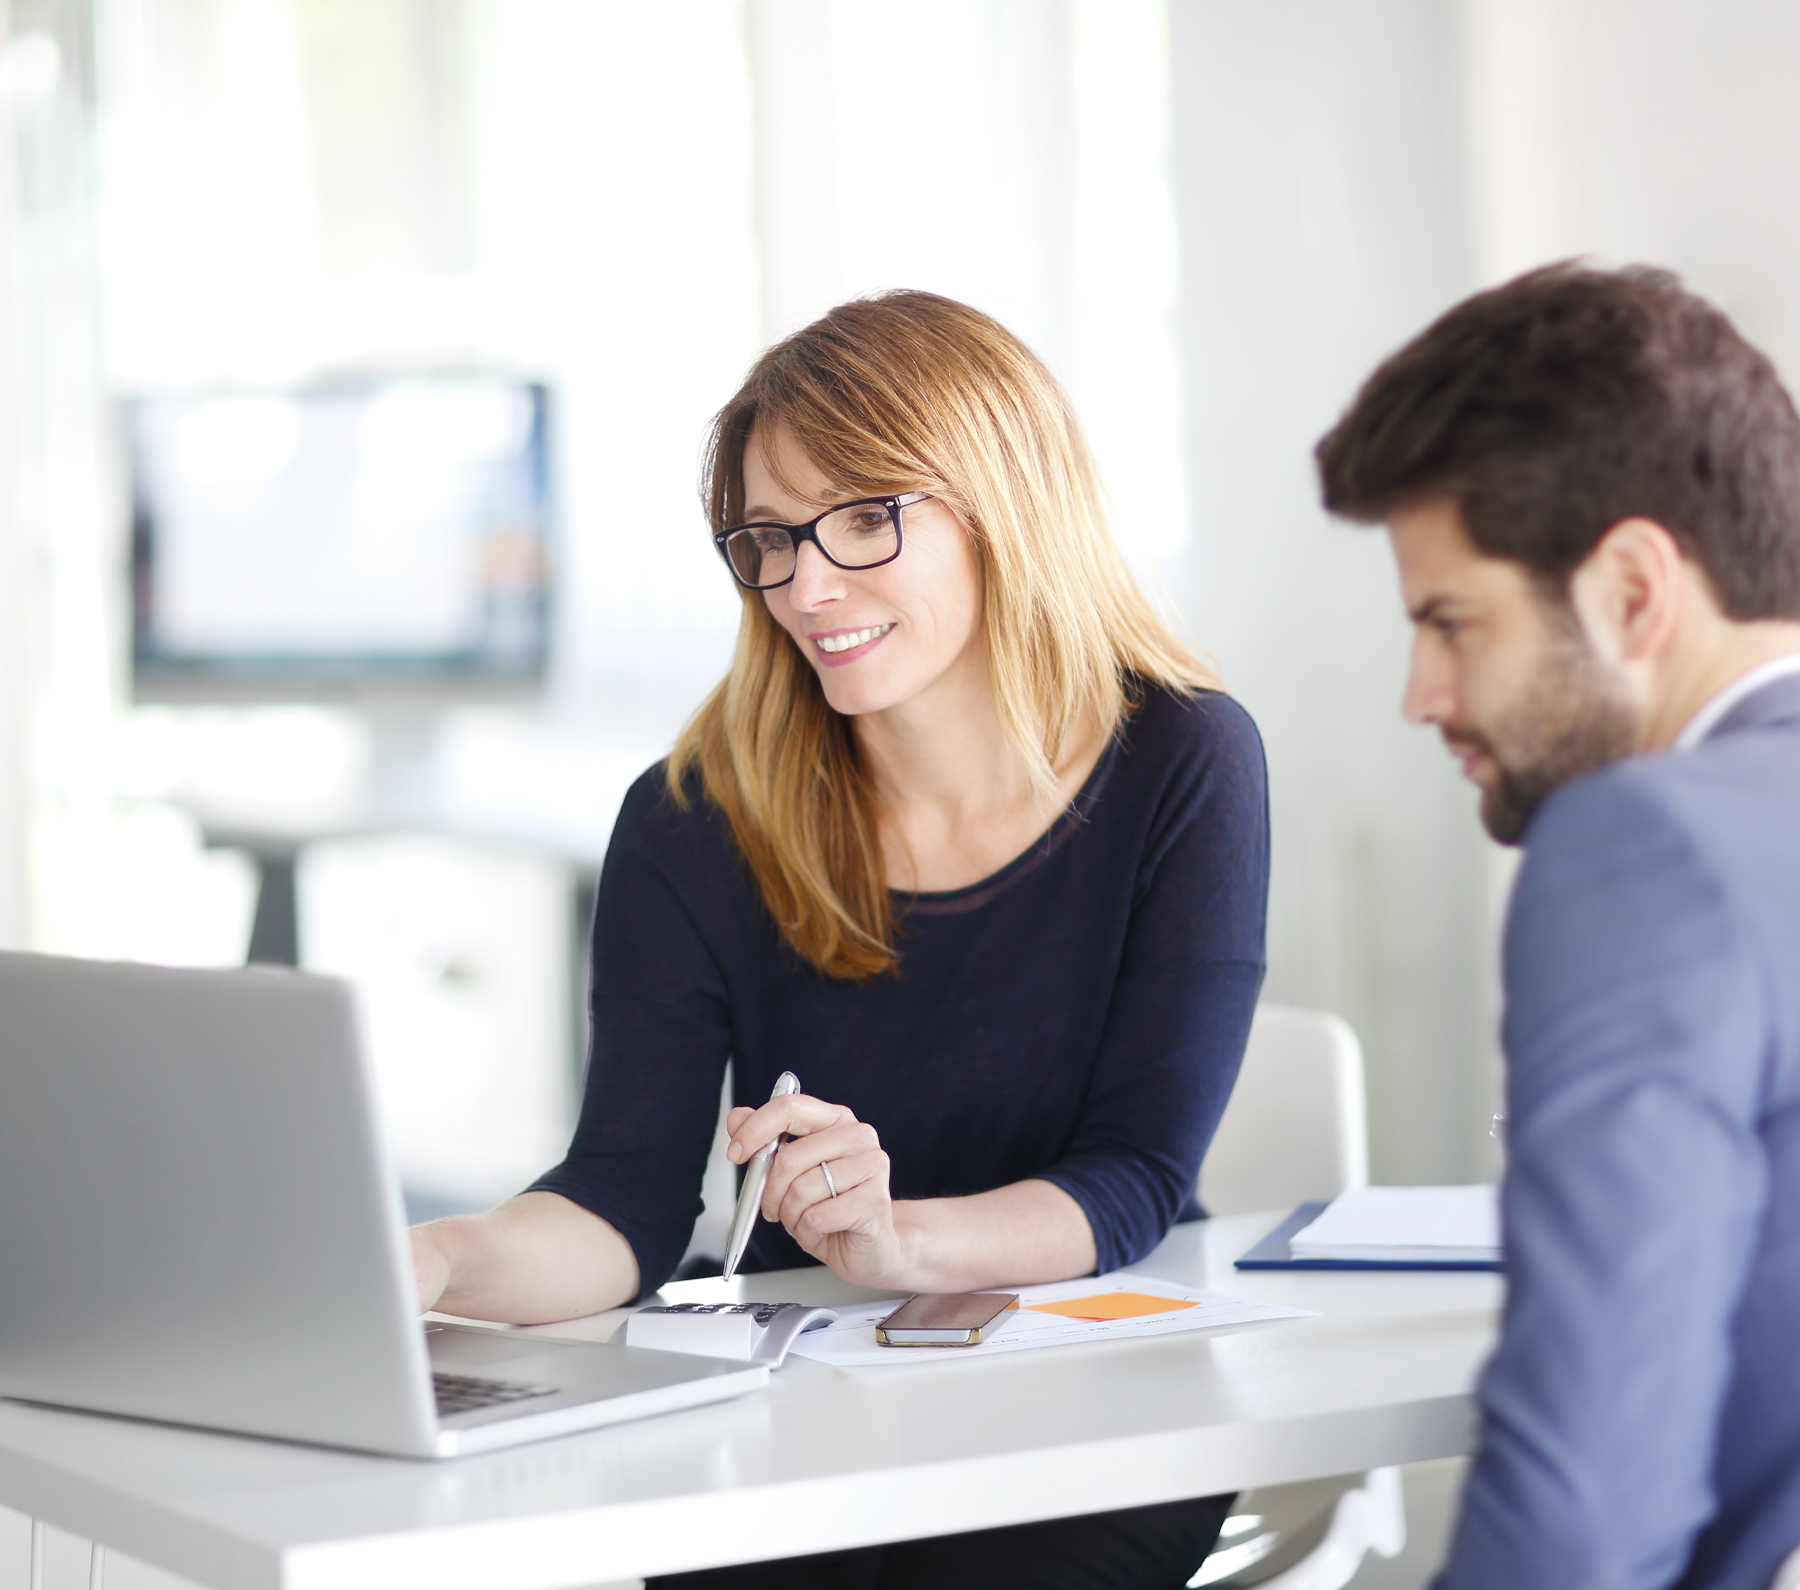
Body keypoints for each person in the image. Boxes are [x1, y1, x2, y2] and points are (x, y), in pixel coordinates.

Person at [413, 289, 1270, 1589]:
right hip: (798, 1411)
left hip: (1095, 1398)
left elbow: (1137, 1173)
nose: (807, 583)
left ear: (1003, 502)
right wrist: (440, 1256)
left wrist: (898, 1236)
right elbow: (626, 1198)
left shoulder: (1183, 758)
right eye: (769, 535)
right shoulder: (692, 816)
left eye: (865, 518)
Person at [1316, 262, 1800, 1590]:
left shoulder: (1648, 845)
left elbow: (1591, 1505)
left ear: (1634, 591)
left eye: (1451, 622)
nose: (1422, 695)